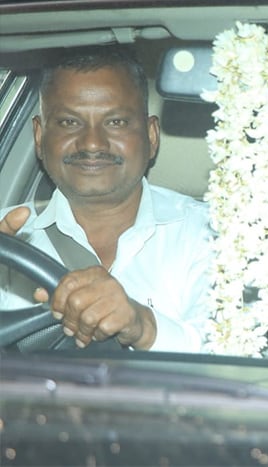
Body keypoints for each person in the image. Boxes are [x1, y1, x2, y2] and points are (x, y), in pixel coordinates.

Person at [0, 46, 214, 351]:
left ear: (151, 136)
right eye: (69, 122)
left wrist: (143, 327)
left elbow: (244, 362)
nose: (92, 142)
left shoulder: (212, 234)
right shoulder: (5, 239)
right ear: (39, 136)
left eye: (116, 122)